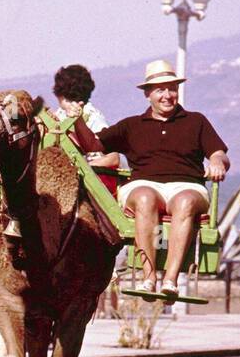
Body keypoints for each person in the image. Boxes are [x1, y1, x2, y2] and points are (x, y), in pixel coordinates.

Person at [97, 59, 229, 299]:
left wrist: (218, 162)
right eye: (160, 89)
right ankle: (149, 278)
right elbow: (94, 143)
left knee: (185, 202)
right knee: (145, 198)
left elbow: (218, 152)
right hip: (144, 185)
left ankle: (171, 279)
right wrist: (75, 120)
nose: (167, 95)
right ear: (148, 94)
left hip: (187, 186)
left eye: (172, 88)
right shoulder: (131, 125)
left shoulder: (196, 121)